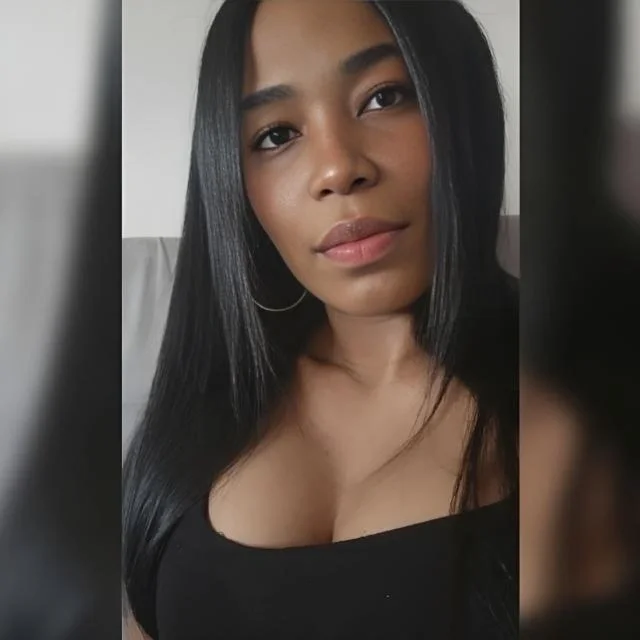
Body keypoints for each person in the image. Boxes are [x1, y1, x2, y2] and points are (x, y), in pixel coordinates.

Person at [123, 1, 518, 638]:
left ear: (460, 104)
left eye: (384, 97)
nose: (338, 169)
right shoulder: (210, 392)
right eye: (276, 135)